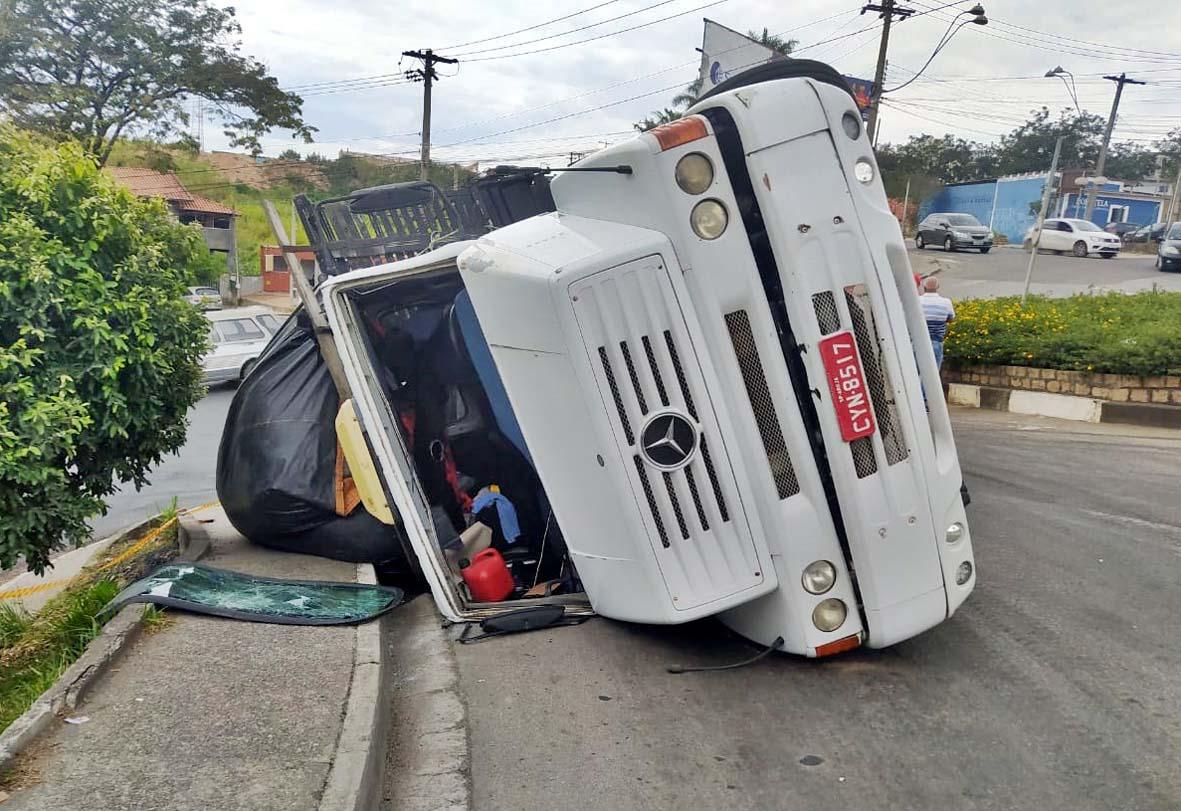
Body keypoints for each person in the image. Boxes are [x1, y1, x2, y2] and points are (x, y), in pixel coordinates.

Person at [919, 276, 955, 368]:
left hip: (918, 341)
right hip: (936, 341)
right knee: (933, 372)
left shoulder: (918, 301)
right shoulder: (946, 302)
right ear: (938, 287)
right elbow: (950, 319)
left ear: (924, 287)